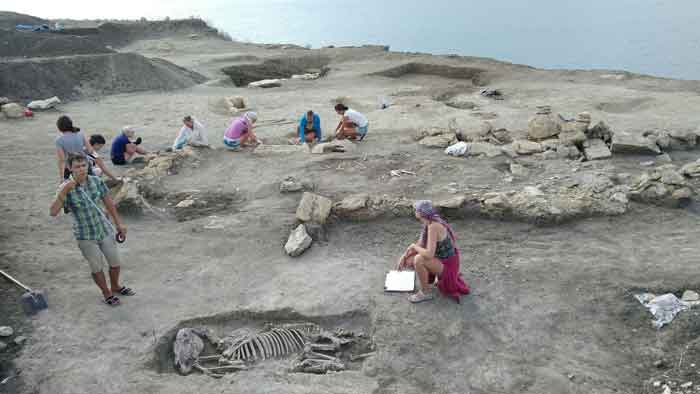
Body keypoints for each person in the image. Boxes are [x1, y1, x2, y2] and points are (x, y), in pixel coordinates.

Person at [49, 153, 135, 306]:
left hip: (103, 229)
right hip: (85, 235)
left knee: (115, 262)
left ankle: (115, 286)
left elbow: (109, 203)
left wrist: (118, 224)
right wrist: (64, 191)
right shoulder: (65, 187)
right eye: (77, 167)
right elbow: (53, 212)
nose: (81, 169)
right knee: (96, 267)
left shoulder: (96, 181)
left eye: (84, 165)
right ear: (70, 168)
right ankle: (106, 293)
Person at [396, 200, 470, 303]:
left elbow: (429, 254)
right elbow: (421, 243)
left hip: (448, 265)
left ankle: (425, 292)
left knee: (418, 259)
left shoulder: (433, 226)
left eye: (416, 209)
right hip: (442, 260)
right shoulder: (429, 221)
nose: (415, 211)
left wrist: (413, 246)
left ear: (421, 213)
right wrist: (404, 256)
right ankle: (432, 279)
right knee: (409, 260)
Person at [54, 115, 116, 182]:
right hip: (84, 164)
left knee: (71, 187)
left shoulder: (59, 140)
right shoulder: (80, 134)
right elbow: (90, 150)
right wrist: (96, 158)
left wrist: (62, 178)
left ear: (59, 127)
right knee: (91, 182)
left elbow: (62, 160)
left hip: (71, 167)